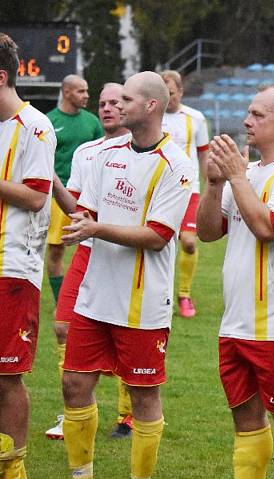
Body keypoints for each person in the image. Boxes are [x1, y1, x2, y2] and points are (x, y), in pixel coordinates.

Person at [60, 71, 193, 479]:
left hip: (143, 304)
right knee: (73, 383)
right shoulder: (105, 154)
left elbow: (156, 237)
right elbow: (89, 214)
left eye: (127, 100)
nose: (116, 105)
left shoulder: (178, 165)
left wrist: (95, 230)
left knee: (143, 395)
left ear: (151, 105)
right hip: (94, 295)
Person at [197, 83, 274, 479]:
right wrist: (216, 184)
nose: (247, 121)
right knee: (245, 423)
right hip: (235, 322)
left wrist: (236, 177)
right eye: (248, 113)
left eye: (257, 115)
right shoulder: (246, 174)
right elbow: (209, 232)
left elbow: (269, 228)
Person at [44, 82, 135, 441]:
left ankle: (128, 417)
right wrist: (51, 180)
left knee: (126, 340)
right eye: (103, 103)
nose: (108, 108)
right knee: (63, 326)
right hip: (89, 252)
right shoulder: (86, 152)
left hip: (127, 258)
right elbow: (77, 210)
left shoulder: (144, 152)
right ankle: (73, 411)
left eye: (116, 102)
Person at [0, 31, 56, 479]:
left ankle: (13, 472)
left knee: (6, 378)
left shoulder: (35, 126)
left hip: (11, 268)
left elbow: (37, 198)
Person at [45, 74, 103, 304]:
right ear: (66, 91)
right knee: (57, 251)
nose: (86, 96)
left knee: (94, 249)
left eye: (87, 91)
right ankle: (62, 301)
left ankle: (91, 296)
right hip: (59, 197)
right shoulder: (49, 121)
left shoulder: (93, 122)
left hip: (90, 198)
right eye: (81, 91)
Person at [160, 70, 210, 318]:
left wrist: (210, 185)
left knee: (189, 243)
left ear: (180, 91)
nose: (167, 99)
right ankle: (161, 295)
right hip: (159, 191)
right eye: (163, 94)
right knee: (158, 244)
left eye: (171, 93)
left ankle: (184, 294)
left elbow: (203, 153)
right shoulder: (153, 117)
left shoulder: (196, 119)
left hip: (189, 189)